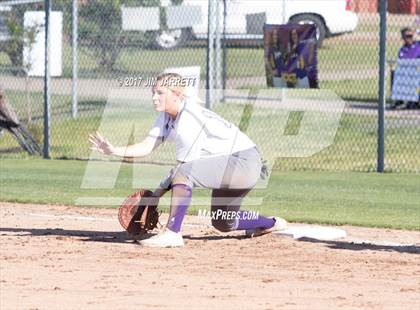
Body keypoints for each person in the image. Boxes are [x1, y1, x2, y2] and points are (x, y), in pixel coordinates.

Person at [89, 73, 287, 247]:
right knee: (223, 221)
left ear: (177, 95)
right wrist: (113, 150)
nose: (154, 97)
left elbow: (182, 171)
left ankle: (172, 233)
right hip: (231, 163)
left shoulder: (188, 121)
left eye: (160, 93)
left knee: (184, 173)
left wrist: (156, 196)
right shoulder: (166, 116)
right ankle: (270, 224)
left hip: (243, 162)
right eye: (153, 92)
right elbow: (146, 147)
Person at [391, 27, 420, 109]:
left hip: (416, 72)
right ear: (403, 38)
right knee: (394, 73)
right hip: (406, 73)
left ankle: (414, 101)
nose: (409, 38)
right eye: (407, 37)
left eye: (411, 36)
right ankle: (399, 100)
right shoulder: (402, 50)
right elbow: (402, 63)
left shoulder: (418, 45)